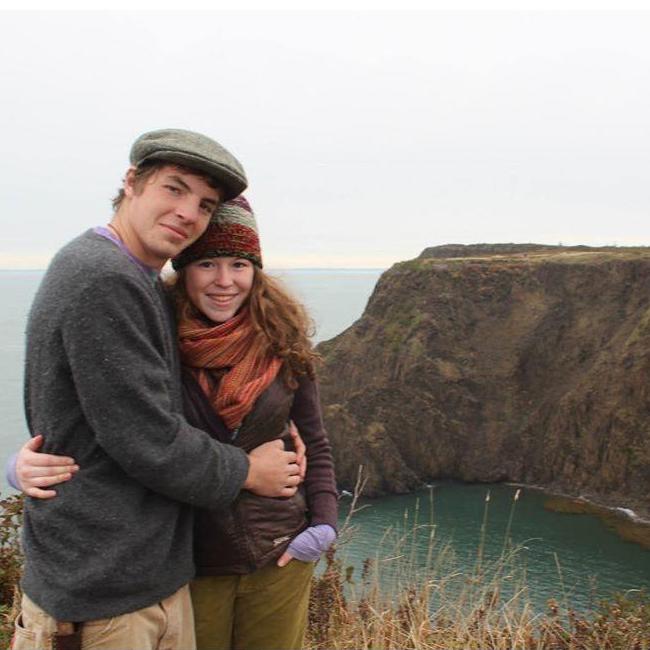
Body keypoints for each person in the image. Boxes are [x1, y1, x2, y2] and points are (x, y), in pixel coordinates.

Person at [12, 129, 304, 650]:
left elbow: (87, 412)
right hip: (103, 590)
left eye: (205, 204)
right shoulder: (103, 278)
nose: (188, 212)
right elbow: (149, 441)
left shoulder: (135, 277)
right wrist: (248, 471)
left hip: (139, 578)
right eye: (174, 189)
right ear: (131, 183)